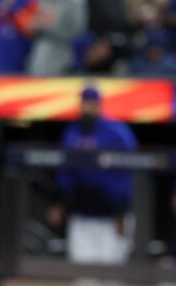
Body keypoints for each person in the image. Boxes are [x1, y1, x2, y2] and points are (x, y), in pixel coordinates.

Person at [57, 86, 137, 264]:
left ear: (99, 104)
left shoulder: (118, 133)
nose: (88, 107)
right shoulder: (71, 133)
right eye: (85, 103)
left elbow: (128, 175)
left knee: (111, 279)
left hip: (111, 219)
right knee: (82, 279)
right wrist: (60, 202)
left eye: (92, 103)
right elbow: (65, 174)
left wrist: (122, 210)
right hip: (81, 217)